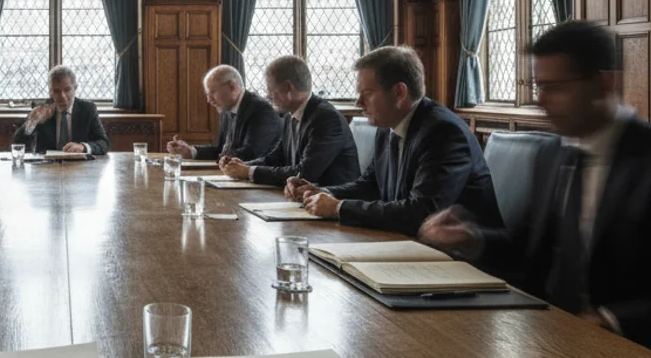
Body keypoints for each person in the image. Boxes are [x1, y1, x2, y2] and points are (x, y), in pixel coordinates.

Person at [420, 21, 651, 347]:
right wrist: (472, 239)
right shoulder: (553, 154)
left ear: (604, 83)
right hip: (547, 334)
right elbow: (528, 249)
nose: (540, 102)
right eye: (537, 86)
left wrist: (611, 321)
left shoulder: (644, 159)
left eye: (554, 88)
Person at [288, 45, 503, 236]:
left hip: (464, 262)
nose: (358, 102)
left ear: (399, 93)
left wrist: (339, 208)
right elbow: (370, 185)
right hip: (411, 247)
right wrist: (323, 192)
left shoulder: (443, 132)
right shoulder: (387, 128)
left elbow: (421, 212)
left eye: (367, 93)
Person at [220, 55, 359, 187]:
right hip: (302, 199)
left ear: (287, 89)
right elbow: (276, 158)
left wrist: (248, 172)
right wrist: (242, 166)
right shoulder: (289, 115)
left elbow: (305, 173)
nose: (267, 96)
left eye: (269, 89)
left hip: (331, 202)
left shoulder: (327, 119)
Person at [165, 65, 281, 162]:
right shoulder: (226, 110)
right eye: (207, 94)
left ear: (232, 87)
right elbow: (221, 150)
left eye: (213, 93)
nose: (209, 100)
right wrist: (190, 151)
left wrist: (219, 160)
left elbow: (250, 154)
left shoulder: (260, 110)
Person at [12, 66, 109, 155]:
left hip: (78, 167)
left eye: (67, 90)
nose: (62, 96)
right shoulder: (42, 109)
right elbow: (16, 144)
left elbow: (104, 143)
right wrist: (32, 122)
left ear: (75, 88)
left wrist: (83, 147)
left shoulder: (88, 109)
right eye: (56, 91)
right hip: (47, 168)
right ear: (50, 92)